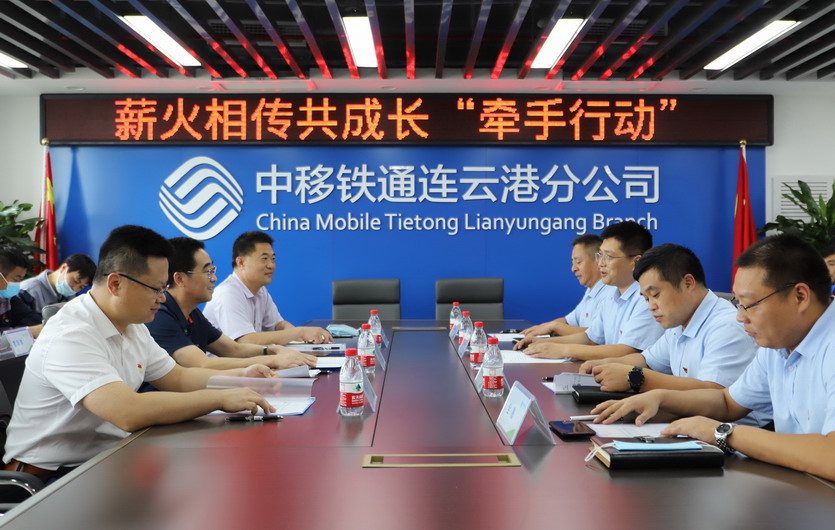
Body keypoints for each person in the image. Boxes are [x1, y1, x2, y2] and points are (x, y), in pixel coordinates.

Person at [3, 226, 275, 480]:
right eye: (156, 288)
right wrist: (220, 398)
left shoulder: (133, 325)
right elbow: (128, 411)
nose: (162, 298)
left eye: (164, 288)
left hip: (106, 459)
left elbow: (178, 378)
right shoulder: (71, 333)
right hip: (49, 478)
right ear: (115, 284)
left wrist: (241, 379)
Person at [593, 234, 835, 481]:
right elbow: (728, 401)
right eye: (738, 303)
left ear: (800, 296)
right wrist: (661, 399)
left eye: (750, 304)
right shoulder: (777, 344)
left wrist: (723, 433)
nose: (740, 317)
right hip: (798, 483)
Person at [579, 243, 769, 426]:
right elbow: (647, 360)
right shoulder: (679, 321)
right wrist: (606, 365)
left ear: (688, 283)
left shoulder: (726, 326)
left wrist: (636, 378)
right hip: (695, 425)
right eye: (646, 299)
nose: (651, 306)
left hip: (737, 434)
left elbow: (714, 394)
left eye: (655, 295)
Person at [146, 237, 317, 371]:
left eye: (213, 270)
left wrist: (272, 351)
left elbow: (233, 349)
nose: (214, 278)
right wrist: (273, 359)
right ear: (180, 278)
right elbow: (202, 364)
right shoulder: (160, 315)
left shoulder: (193, 314)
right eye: (207, 271)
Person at [516, 221, 663, 360]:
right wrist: (545, 343)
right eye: (600, 255)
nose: (601, 263)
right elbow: (591, 338)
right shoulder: (612, 294)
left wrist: (564, 350)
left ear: (636, 261)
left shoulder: (647, 299)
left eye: (609, 257)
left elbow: (627, 351)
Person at [203, 231, 333, 346]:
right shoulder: (228, 294)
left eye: (273, 259)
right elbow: (244, 341)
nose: (271, 265)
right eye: (264, 259)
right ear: (241, 262)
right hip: (223, 365)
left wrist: (299, 336)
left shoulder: (260, 290)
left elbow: (278, 325)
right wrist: (299, 332)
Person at [519, 234, 611, 337]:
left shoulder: (610, 294)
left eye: (578, 262)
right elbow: (568, 321)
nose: (573, 269)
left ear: (598, 261)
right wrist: (541, 328)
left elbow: (596, 336)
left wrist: (553, 327)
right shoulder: (590, 291)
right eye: (573, 262)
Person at [20, 253, 96, 313]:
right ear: (64, 268)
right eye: (76, 281)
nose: (75, 289)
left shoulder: (72, 296)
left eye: (81, 287)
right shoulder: (28, 291)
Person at [0, 246, 43, 338]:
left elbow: (32, 317)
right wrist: (28, 332)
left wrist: (17, 331)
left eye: (20, 280)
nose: (18, 284)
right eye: (16, 279)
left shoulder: (8, 298)